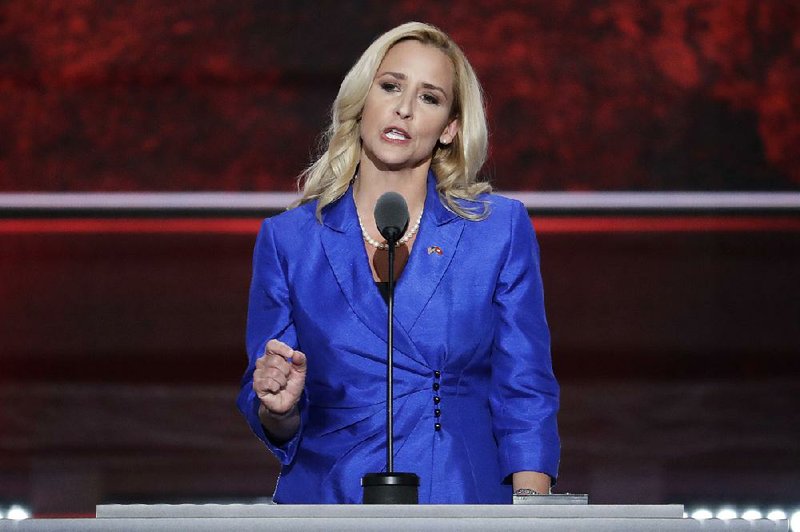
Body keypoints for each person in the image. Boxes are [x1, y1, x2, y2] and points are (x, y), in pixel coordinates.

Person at [237, 21, 559, 504]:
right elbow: (272, 401)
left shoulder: (496, 231)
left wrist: (531, 512)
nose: (404, 108)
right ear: (363, 100)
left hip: (458, 494)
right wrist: (278, 409)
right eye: (390, 86)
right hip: (329, 497)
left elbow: (525, 389)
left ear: (449, 128)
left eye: (429, 98)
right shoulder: (289, 241)